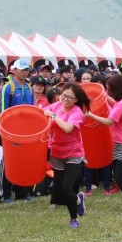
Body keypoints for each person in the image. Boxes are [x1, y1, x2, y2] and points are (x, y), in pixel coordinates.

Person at [86, 75, 122, 213]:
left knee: (119, 176)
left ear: (115, 88)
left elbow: (109, 121)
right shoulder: (121, 101)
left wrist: (90, 115)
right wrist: (101, 95)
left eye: (108, 87)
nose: (107, 89)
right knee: (118, 175)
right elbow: (111, 102)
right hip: (121, 143)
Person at [43, 83, 90, 228]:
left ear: (76, 100)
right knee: (61, 190)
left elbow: (68, 128)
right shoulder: (55, 106)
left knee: (67, 187)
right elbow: (42, 113)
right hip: (57, 153)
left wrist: (54, 116)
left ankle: (73, 219)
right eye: (64, 95)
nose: (66, 99)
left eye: (70, 97)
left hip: (74, 153)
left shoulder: (77, 112)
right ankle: (78, 198)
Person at [0, 58, 34, 203]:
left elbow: (32, 111)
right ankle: (4, 194)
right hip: (10, 131)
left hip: (25, 132)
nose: (24, 72)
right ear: (14, 70)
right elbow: (3, 112)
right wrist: (7, 131)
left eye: (26, 69)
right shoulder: (8, 87)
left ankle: (22, 193)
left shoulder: (28, 87)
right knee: (7, 161)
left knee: (23, 161)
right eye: (22, 69)